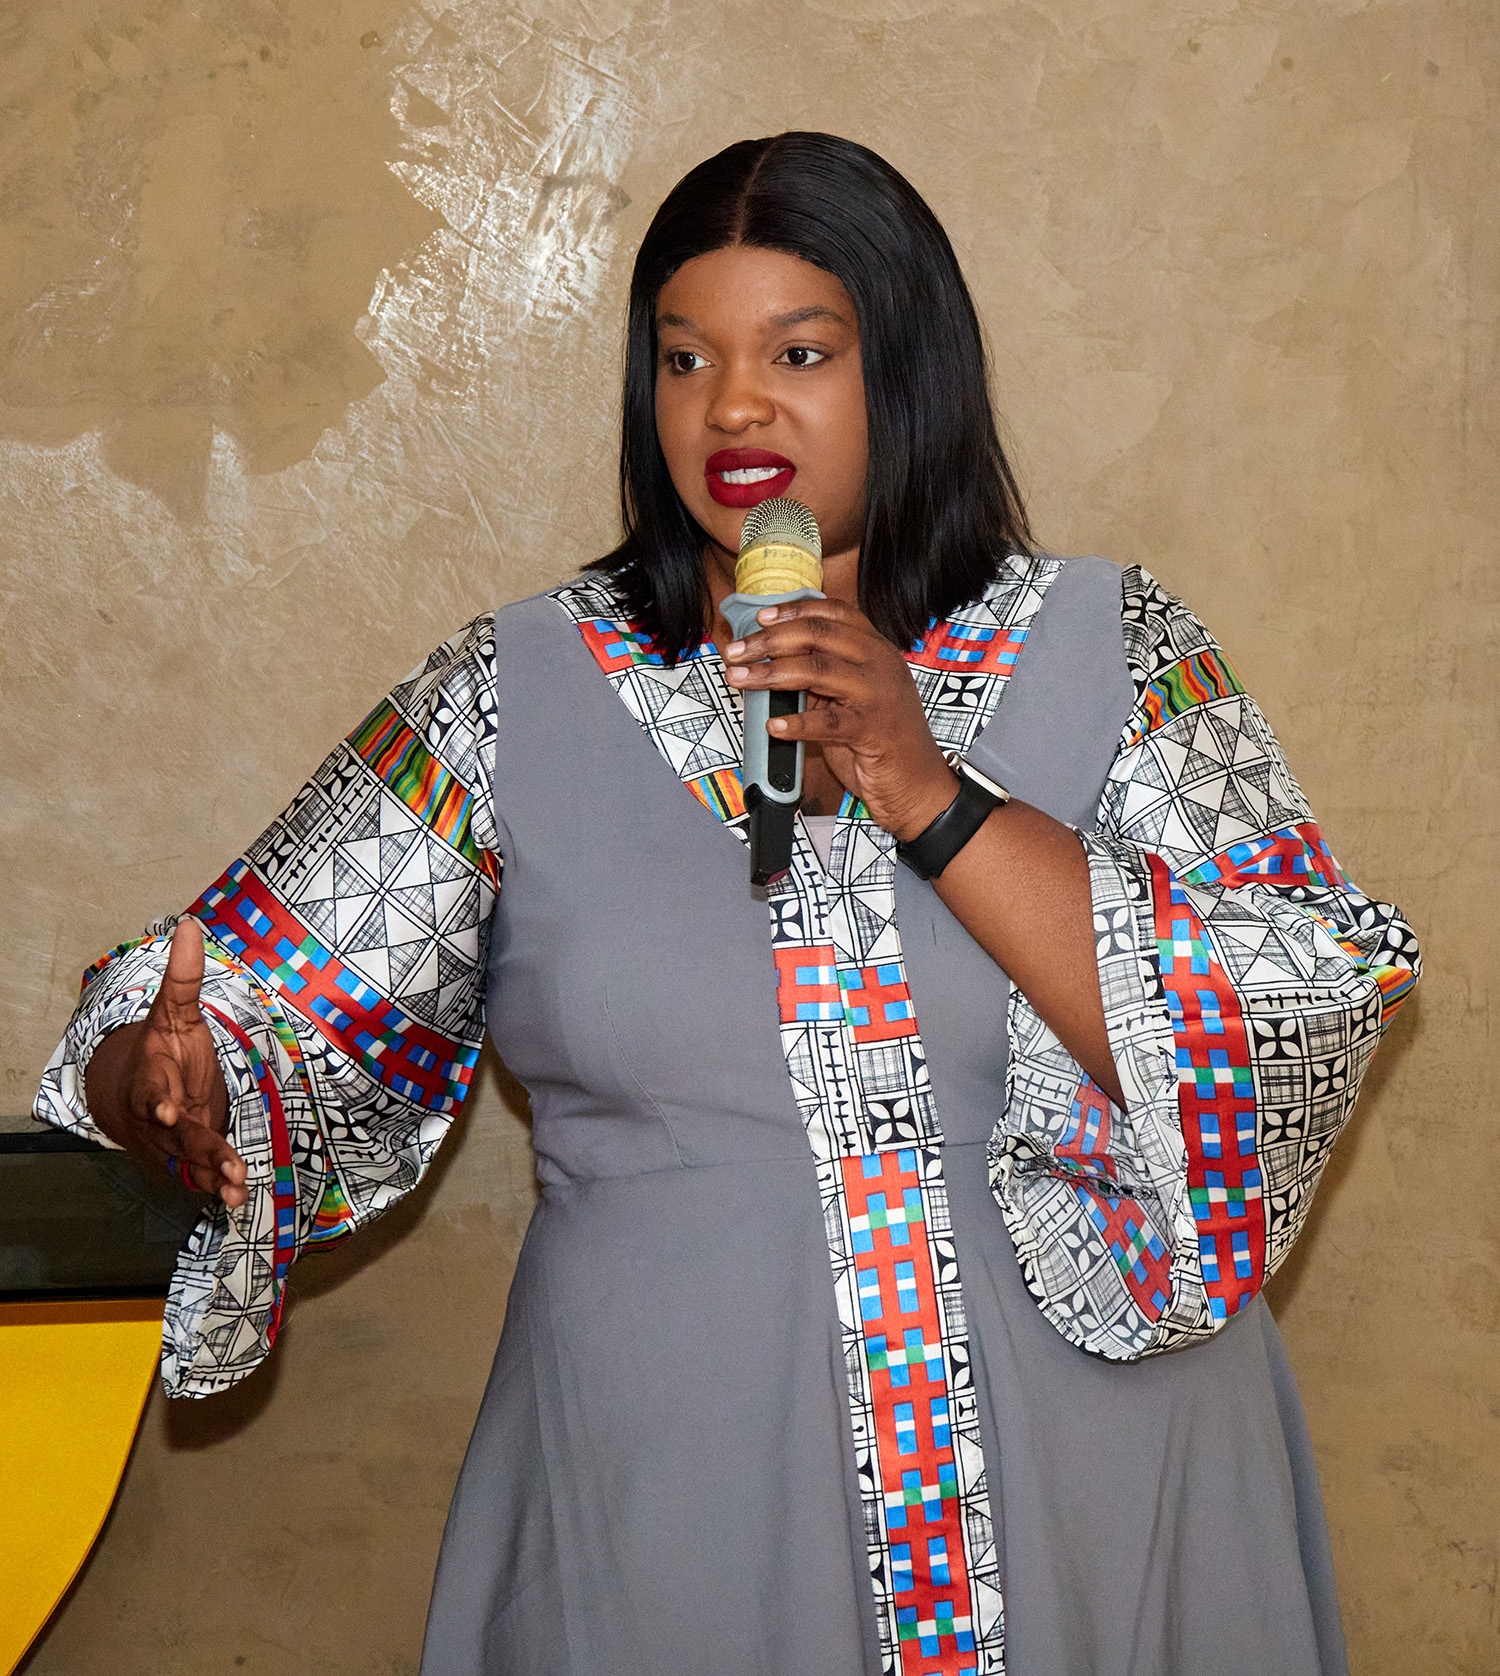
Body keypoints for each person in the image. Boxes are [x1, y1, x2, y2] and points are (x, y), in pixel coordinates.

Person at [36, 132, 1419, 1676]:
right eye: (686, 358)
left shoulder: (1119, 646)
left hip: (1105, 1486)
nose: (734, 407)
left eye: (799, 353)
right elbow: (248, 1009)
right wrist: (169, 1083)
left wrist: (927, 792)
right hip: (676, 1499)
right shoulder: (511, 694)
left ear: (912, 372)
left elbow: (1289, 1026)